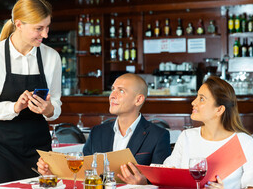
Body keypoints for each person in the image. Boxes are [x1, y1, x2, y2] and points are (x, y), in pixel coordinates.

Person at [0, 0, 62, 185]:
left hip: (39, 152)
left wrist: (49, 110)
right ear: (19, 24)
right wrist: (14, 107)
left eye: (47, 27)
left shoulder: (52, 57)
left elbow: (57, 104)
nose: (45, 35)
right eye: (39, 28)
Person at [120, 76, 253, 189]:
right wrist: (144, 181)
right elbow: (166, 177)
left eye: (201, 99)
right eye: (197, 97)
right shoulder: (187, 137)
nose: (193, 102)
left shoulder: (244, 142)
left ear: (219, 110)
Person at [38, 73, 171, 183]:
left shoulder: (158, 136)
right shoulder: (98, 132)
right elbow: (82, 174)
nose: (112, 95)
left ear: (138, 100)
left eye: (121, 91)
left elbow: (164, 183)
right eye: (113, 89)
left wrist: (144, 183)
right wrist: (53, 173)